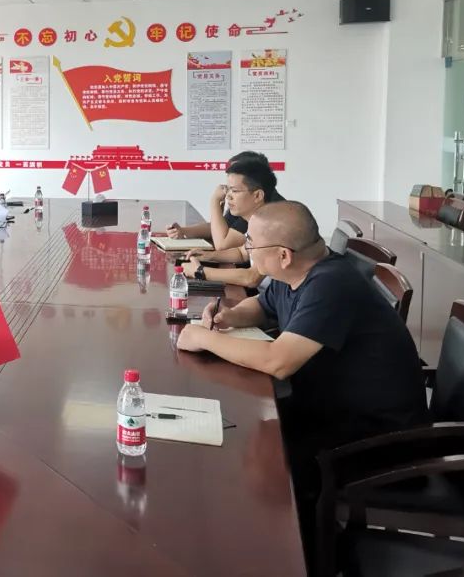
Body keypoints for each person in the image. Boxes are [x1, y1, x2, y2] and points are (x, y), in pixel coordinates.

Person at [176, 200, 428, 558]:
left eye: (251, 244)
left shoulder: (331, 284)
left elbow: (278, 362)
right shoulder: (298, 272)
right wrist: (229, 317)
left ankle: (308, 558)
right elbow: (263, 306)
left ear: (283, 255)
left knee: (263, 464)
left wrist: (203, 339)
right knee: (243, 437)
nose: (247, 250)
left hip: (379, 440)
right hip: (333, 412)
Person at [178, 157, 280, 289]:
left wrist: (200, 271)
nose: (228, 196)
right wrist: (209, 256)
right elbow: (241, 253)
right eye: (229, 190)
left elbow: (251, 278)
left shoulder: (271, 228)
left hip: (274, 299)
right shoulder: (255, 222)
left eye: (235, 191)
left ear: (257, 196)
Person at [166, 151, 285, 250]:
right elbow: (220, 227)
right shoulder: (245, 201)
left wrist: (214, 202)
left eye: (237, 170)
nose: (229, 195)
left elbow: (223, 245)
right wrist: (183, 231)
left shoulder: (262, 208)